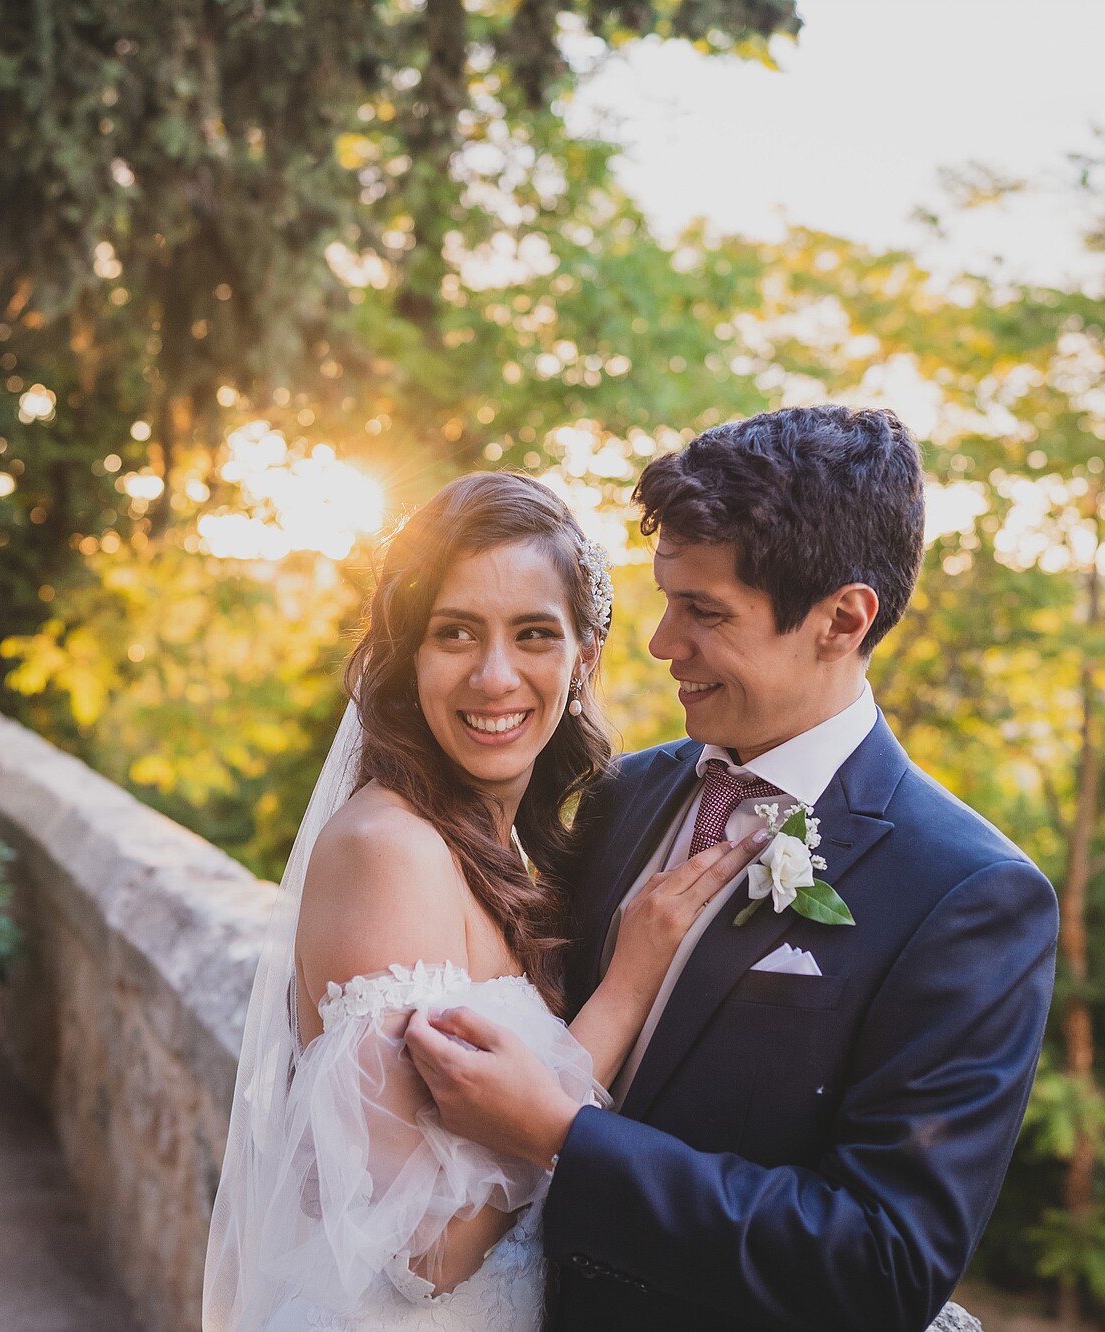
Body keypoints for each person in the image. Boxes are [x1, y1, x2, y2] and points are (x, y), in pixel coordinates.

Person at [404, 406, 1058, 1332]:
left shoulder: (967, 896)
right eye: (667, 600)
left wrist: (560, 1135)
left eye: (704, 612)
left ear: (843, 618)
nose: (662, 642)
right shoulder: (622, 795)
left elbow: (882, 1263)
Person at [203, 472, 763, 1331]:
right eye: (455, 632)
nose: (494, 676)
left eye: (533, 633)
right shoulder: (387, 850)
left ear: (585, 655)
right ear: (409, 655)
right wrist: (626, 989)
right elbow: (425, 1254)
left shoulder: (505, 844)